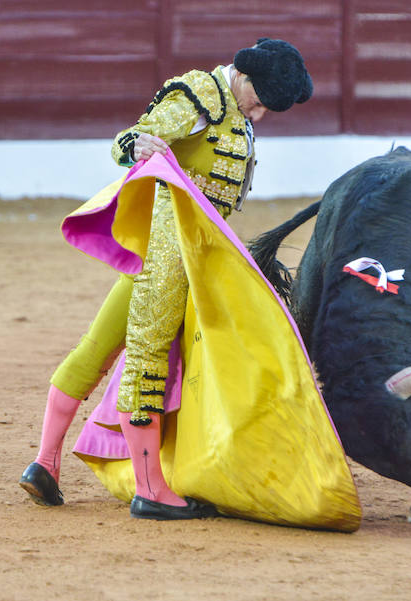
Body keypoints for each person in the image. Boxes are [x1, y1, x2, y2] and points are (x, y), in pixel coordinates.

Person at [19, 38, 313, 520]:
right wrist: (137, 144)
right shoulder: (203, 96)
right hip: (171, 254)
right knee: (150, 360)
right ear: (243, 77)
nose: (257, 115)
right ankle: (150, 488)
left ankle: (44, 463)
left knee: (98, 348)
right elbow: (134, 138)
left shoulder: (233, 109)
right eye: (258, 102)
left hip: (187, 255)